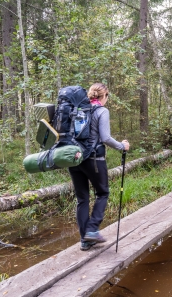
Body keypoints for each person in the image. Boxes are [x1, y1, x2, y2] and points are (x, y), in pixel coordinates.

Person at [68, 83, 130, 251]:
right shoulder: (102, 111)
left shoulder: (77, 110)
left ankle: (85, 240)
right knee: (103, 193)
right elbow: (105, 137)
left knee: (82, 199)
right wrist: (121, 146)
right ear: (104, 96)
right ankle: (92, 230)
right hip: (94, 159)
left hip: (74, 159)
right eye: (107, 97)